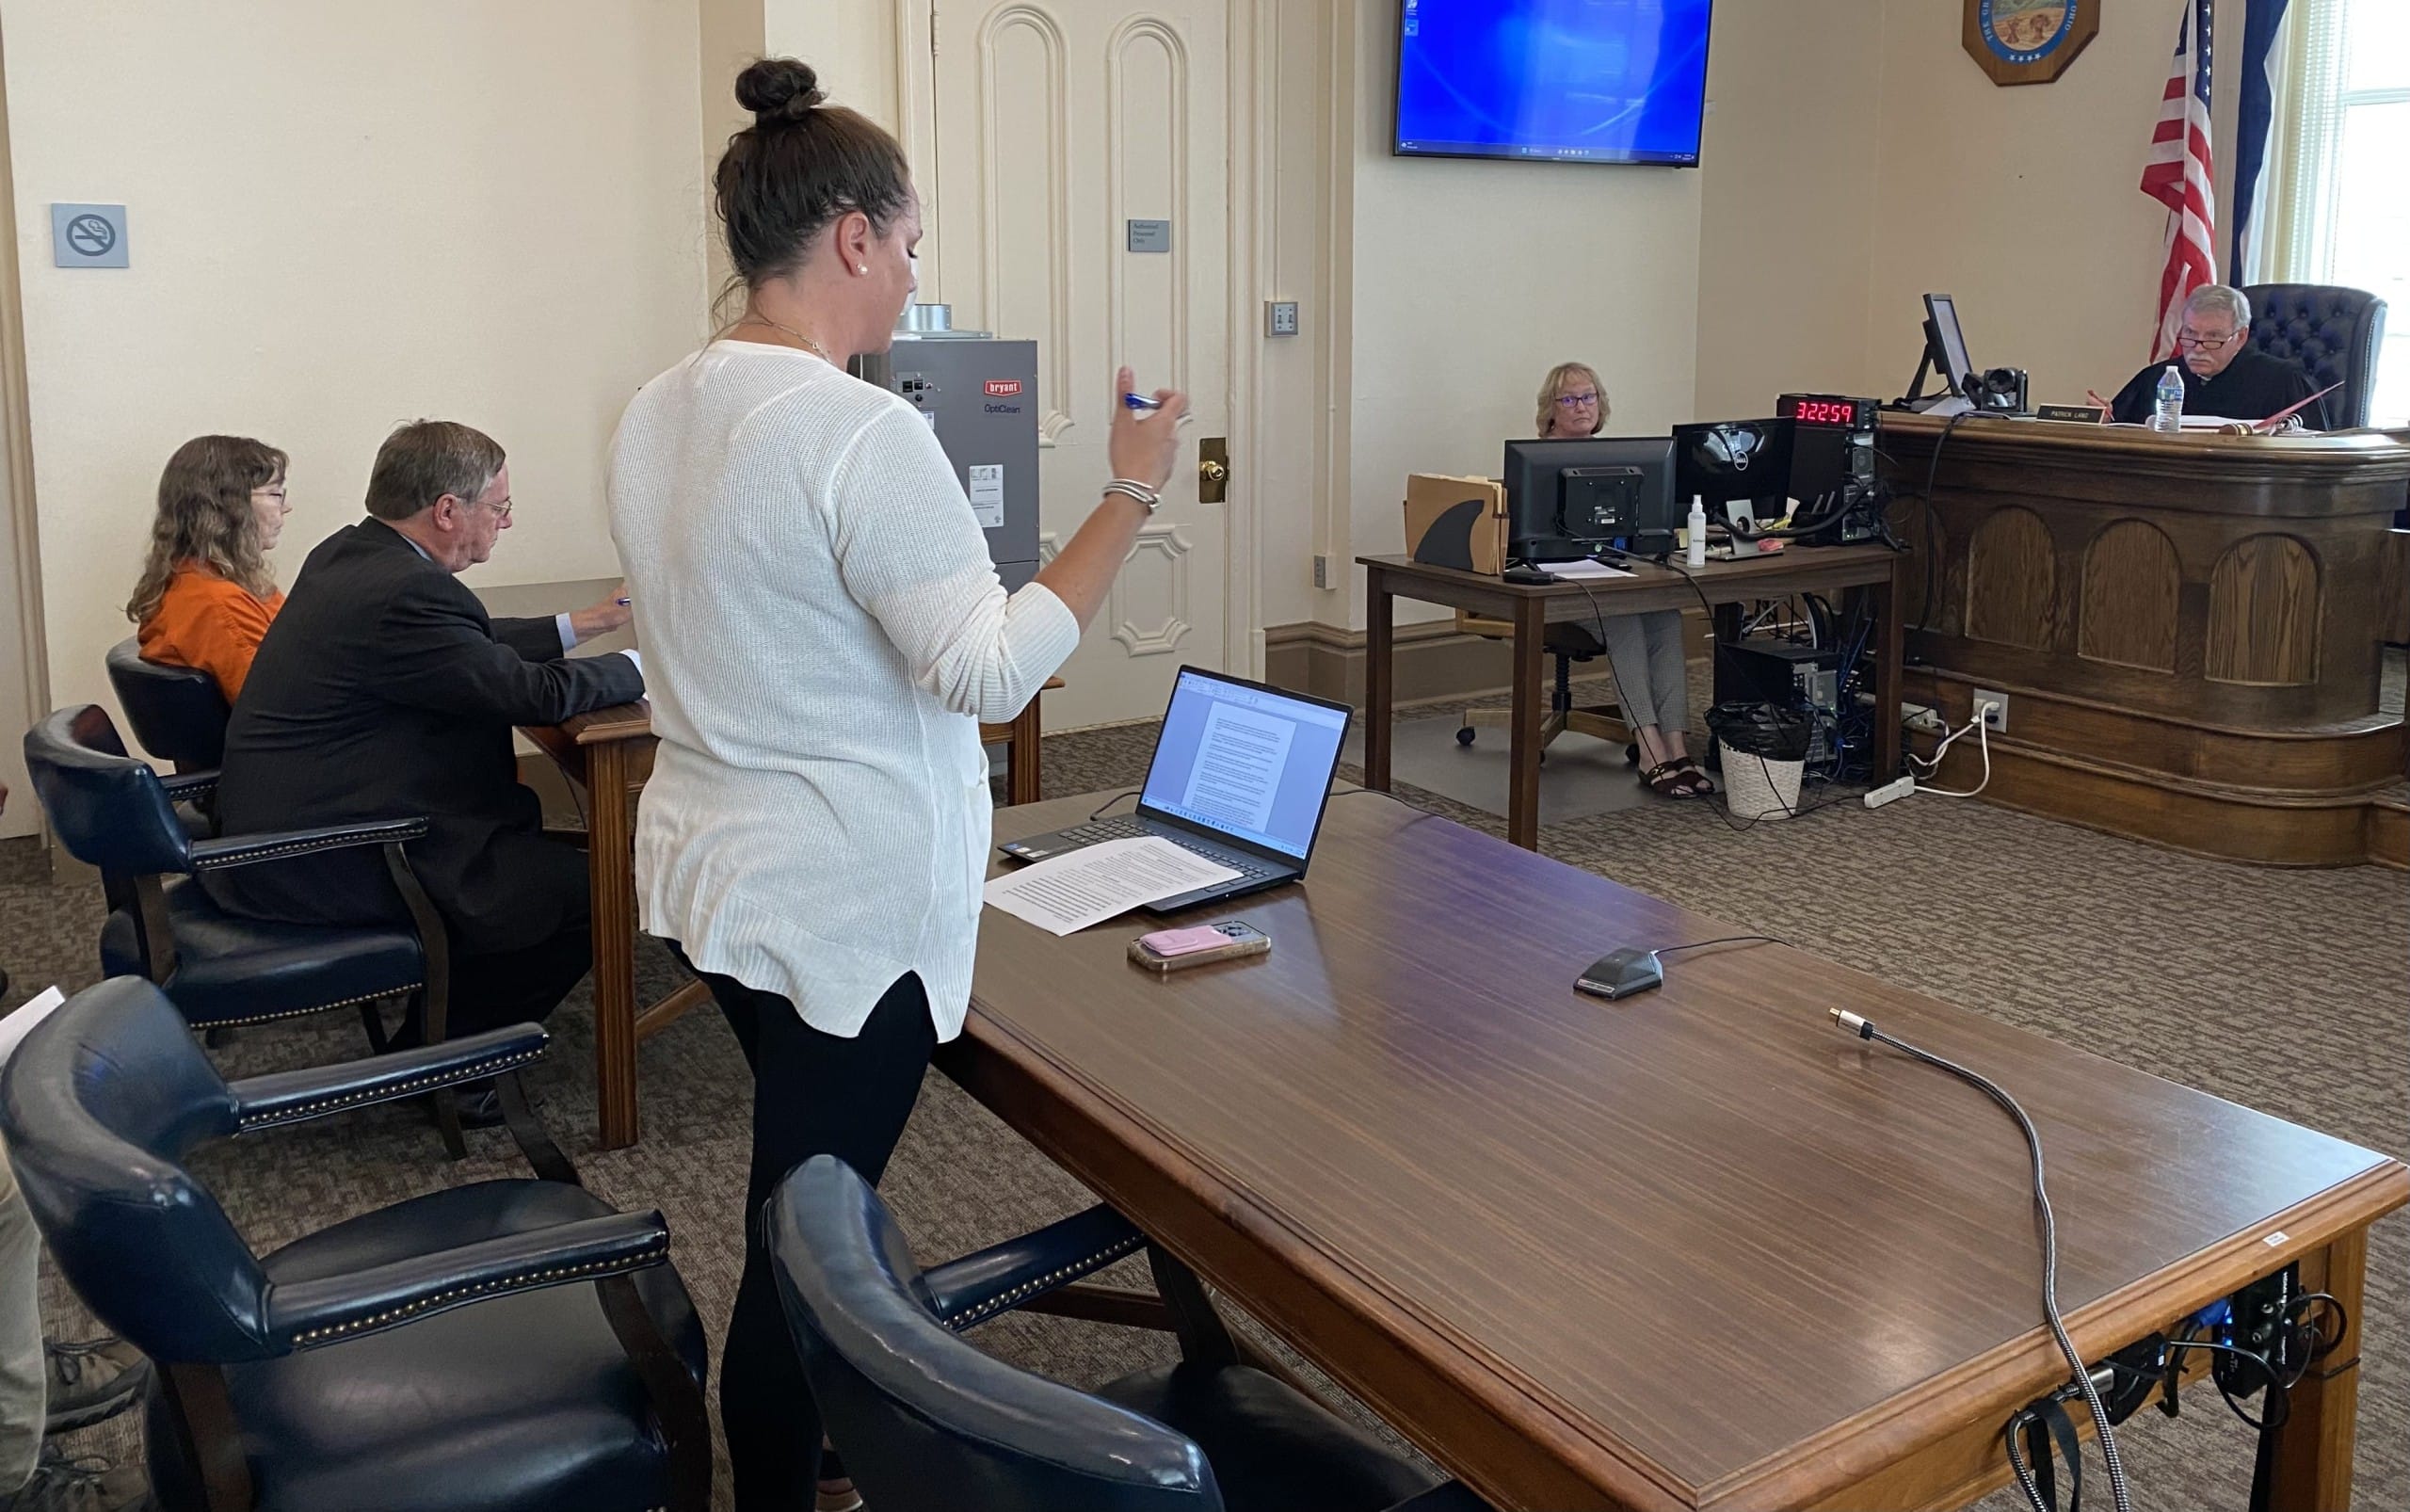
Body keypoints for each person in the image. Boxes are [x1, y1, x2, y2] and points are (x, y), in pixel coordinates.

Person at [607, 57, 1187, 1512]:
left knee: (798, 1185)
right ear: (854, 237)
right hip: (840, 905)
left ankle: (801, 1461)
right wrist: (1131, 491)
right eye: (913, 242)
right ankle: (785, 1480)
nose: (916, 271)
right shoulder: (861, 429)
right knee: (809, 1242)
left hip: (711, 875)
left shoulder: (658, 407)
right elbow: (988, 671)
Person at [204, 421, 644, 1104]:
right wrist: (650, 667)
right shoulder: (407, 593)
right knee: (606, 886)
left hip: (297, 821)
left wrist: (579, 626)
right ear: (446, 510)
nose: (505, 522)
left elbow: (465, 644)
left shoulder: (351, 554)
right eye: (498, 508)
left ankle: (441, 1033)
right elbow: (529, 693)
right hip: (340, 852)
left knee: (561, 858)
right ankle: (446, 1070)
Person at [1533, 362, 1711, 797]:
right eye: (1570, 399)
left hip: (1615, 575)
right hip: (1560, 586)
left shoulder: (1618, 457)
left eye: (1589, 397)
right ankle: (1650, 750)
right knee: (1626, 623)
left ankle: (1677, 746)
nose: (1581, 407)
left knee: (1666, 617)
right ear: (1551, 410)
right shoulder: (1535, 460)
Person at [126, 434, 293, 701]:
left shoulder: (201, 580)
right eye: (275, 494)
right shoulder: (218, 605)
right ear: (229, 507)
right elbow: (280, 706)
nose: (286, 507)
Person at [2101, 285, 2327, 429]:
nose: (2198, 348)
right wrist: (2102, 421)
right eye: (2190, 334)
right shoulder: (2157, 378)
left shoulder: (2282, 381)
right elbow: (2121, 434)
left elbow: (2317, 454)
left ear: (2240, 337)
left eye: (2213, 337)